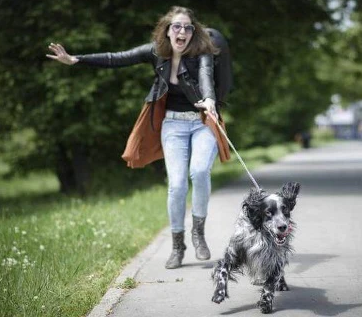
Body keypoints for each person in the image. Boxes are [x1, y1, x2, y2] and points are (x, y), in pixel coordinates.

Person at [46, 6, 231, 269]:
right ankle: (178, 245)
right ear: (167, 30)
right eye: (176, 26)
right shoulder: (155, 52)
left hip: (202, 123)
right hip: (173, 125)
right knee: (177, 185)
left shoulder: (201, 53)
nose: (182, 32)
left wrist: (210, 99)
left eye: (188, 27)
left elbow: (206, 76)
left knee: (200, 172)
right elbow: (116, 57)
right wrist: (76, 59)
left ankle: (198, 233)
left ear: (193, 32)